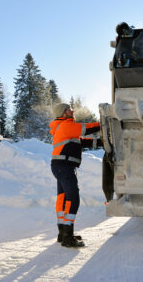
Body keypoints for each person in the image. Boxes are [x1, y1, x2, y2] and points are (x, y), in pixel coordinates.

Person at [49, 103, 101, 247]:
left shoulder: (62, 127)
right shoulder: (66, 125)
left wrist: (99, 142)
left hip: (60, 166)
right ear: (63, 113)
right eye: (68, 109)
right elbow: (86, 129)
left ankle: (63, 233)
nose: (72, 111)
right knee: (73, 198)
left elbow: (79, 142)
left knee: (63, 198)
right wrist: (103, 124)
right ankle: (67, 237)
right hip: (64, 167)